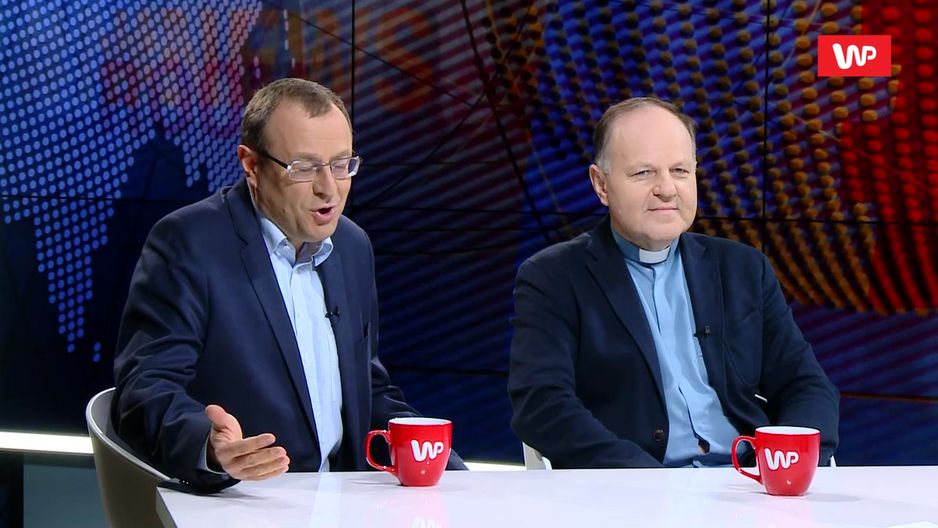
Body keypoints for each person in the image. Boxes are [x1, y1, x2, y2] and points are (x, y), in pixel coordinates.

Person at [112, 78, 465, 492]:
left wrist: (451, 471)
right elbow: (143, 388)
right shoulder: (190, 243)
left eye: (341, 165)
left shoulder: (352, 246)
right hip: (245, 502)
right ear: (251, 165)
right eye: (304, 168)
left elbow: (366, 389)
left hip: (344, 502)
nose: (328, 188)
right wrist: (209, 447)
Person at [508, 97, 839, 469]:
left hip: (748, 481)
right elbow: (542, 404)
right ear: (601, 185)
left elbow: (806, 385)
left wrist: (781, 466)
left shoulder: (743, 268)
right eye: (643, 173)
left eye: (680, 170)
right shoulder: (553, 277)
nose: (667, 189)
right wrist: (647, 482)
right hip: (633, 484)